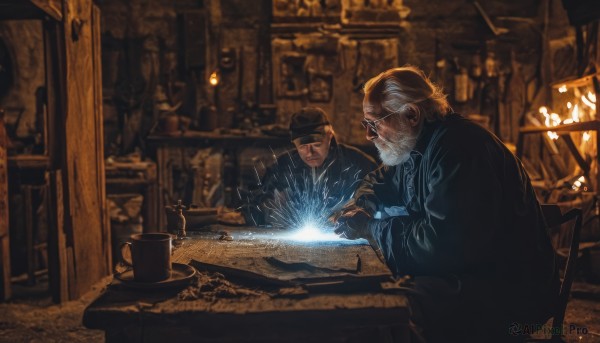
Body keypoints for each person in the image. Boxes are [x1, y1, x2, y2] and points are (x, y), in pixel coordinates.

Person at [333, 66, 559, 342]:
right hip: (468, 273)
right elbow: (378, 181)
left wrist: (372, 228)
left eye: (375, 123)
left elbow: (438, 246)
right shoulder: (413, 145)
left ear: (412, 114)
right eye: (365, 124)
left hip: (506, 289)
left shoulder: (458, 149)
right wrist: (363, 205)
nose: (369, 135)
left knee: (387, 306)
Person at [242, 106, 377, 227]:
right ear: (294, 144)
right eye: (303, 147)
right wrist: (269, 208)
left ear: (329, 136)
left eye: (317, 145)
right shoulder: (284, 166)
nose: (310, 153)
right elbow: (253, 208)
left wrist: (360, 207)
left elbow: (385, 198)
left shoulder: (357, 163)